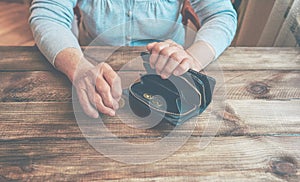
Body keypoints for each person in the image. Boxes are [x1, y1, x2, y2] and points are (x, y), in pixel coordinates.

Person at [29, 0, 237, 118]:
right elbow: (47, 14)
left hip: (167, 74)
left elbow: (222, 15)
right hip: (93, 69)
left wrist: (193, 58)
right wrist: (78, 67)